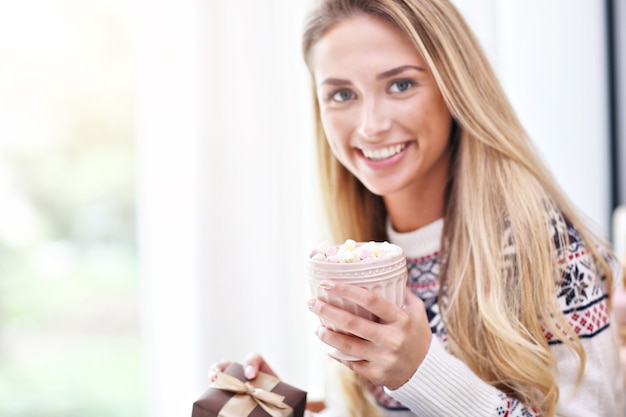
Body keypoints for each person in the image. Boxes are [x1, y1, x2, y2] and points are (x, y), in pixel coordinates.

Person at [209, 0, 625, 416]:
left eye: (401, 85)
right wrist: (283, 408)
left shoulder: (546, 246)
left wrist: (421, 371)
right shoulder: (360, 251)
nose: (371, 125)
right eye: (341, 93)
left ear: (454, 86)